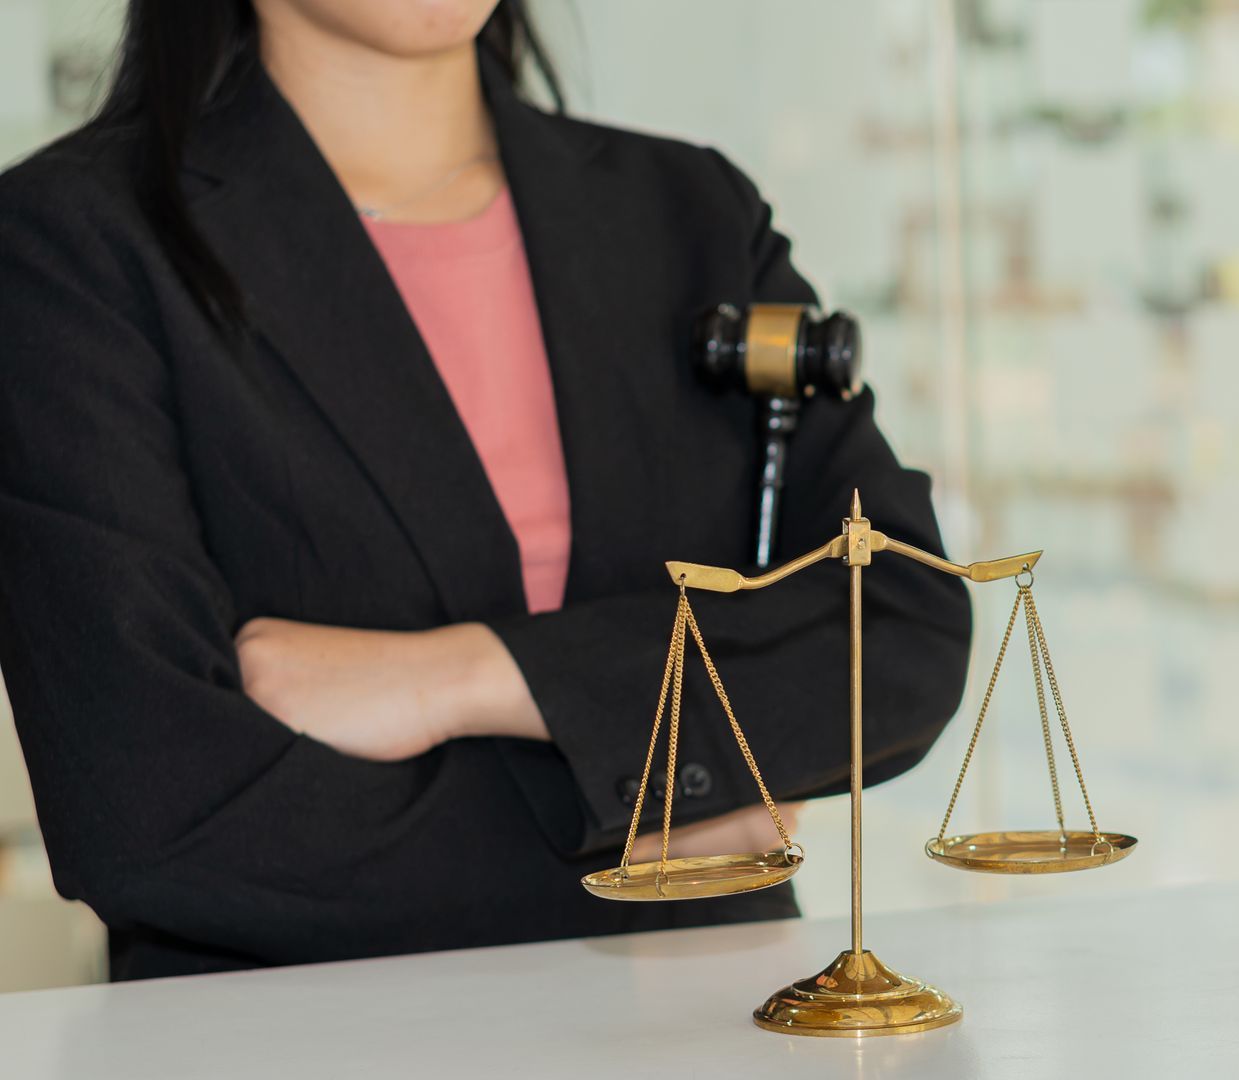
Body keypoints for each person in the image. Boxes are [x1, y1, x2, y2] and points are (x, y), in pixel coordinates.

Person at [0, 0, 970, 980]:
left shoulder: (690, 213)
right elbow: (150, 811)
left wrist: (460, 676)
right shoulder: (76, 246)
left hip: (717, 1028)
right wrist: (646, 843)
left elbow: (897, 626)